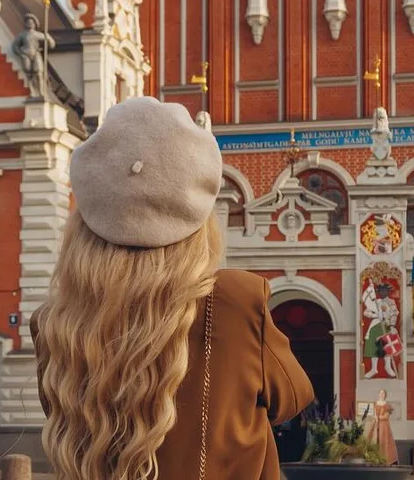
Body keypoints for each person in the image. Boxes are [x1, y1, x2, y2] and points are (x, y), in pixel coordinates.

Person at [32, 96, 315, 480]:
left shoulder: (56, 324)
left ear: (83, 225)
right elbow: (293, 399)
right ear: (198, 221)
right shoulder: (234, 301)